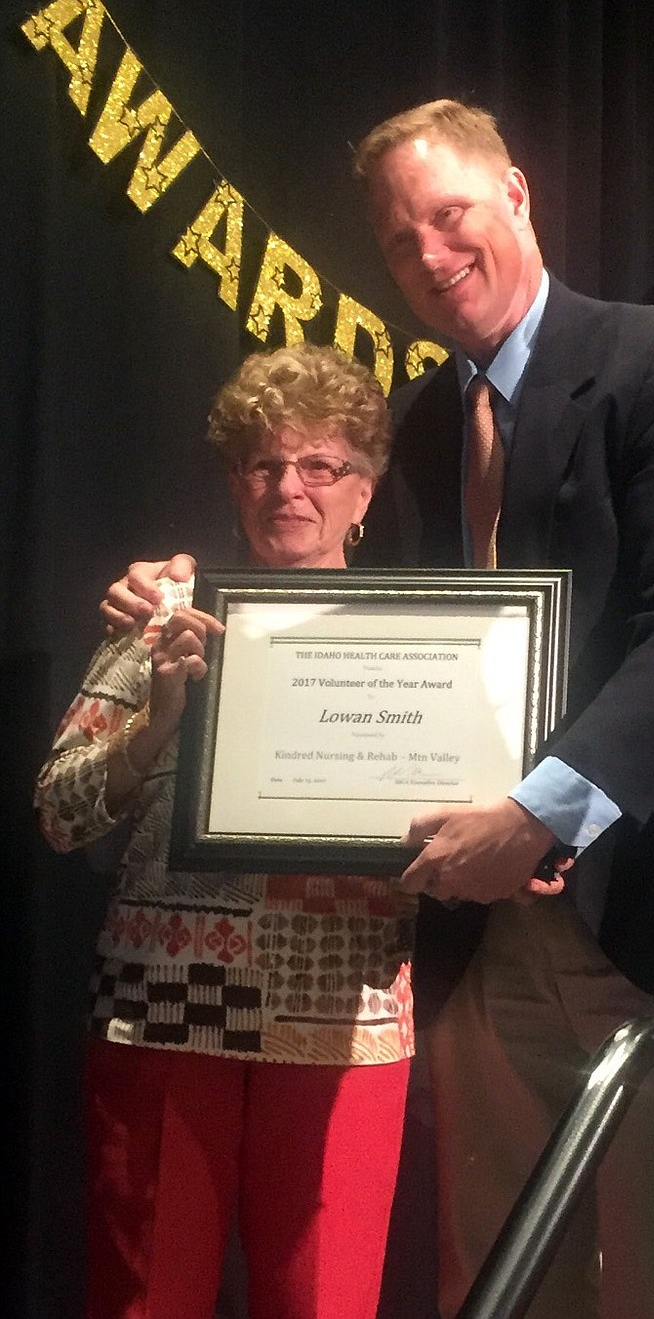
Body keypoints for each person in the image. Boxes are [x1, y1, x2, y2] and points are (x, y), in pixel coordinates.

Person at [102, 101, 654, 1319]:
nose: (428, 255)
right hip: (481, 943)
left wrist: (539, 813)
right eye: (399, 240)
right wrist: (182, 590)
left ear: (516, 195)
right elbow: (347, 626)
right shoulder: (417, 427)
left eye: (449, 215)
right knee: (502, 1282)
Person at [36, 345, 417, 1319]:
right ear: (235, 482)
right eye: (263, 463)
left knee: (325, 1307)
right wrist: (159, 712)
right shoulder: (161, 616)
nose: (289, 486)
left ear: (363, 490)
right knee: (145, 1303)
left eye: (319, 465)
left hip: (342, 1021)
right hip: (163, 1010)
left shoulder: (424, 639)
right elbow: (58, 811)